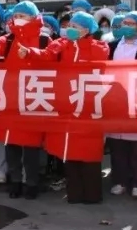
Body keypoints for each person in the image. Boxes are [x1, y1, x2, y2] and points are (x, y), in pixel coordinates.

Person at [28, 11, 108, 204]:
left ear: (86, 30)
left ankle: (92, 195)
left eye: (75, 27)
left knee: (89, 151)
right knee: (70, 150)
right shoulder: (62, 45)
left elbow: (100, 63)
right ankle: (74, 193)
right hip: (67, 102)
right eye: (69, 26)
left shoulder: (99, 46)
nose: (69, 29)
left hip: (89, 104)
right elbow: (46, 55)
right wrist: (30, 52)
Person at [0, 1, 49, 199]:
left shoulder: (44, 39)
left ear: (33, 18)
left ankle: (31, 183)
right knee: (12, 143)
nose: (18, 19)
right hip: (11, 98)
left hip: (34, 97)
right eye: (16, 16)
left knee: (31, 145)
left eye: (23, 16)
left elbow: (51, 59)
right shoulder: (10, 39)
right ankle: (15, 181)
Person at [107, 11, 137, 198]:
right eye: (124, 23)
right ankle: (120, 180)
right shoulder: (111, 46)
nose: (126, 26)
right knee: (117, 144)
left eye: (131, 23)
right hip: (115, 99)